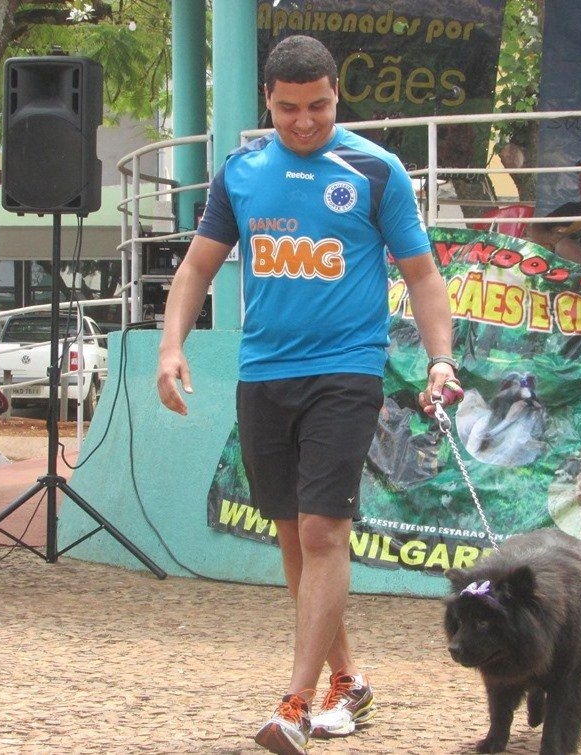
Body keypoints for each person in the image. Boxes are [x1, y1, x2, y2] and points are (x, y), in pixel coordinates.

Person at [155, 35, 456, 755]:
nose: (304, 121)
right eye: (289, 107)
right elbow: (196, 268)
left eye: (318, 105)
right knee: (293, 535)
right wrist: (171, 346)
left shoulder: (375, 170)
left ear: (336, 95)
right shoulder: (241, 173)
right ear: (268, 100)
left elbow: (422, 275)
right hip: (264, 374)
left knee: (323, 533)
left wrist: (440, 359)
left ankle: (294, 702)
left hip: (346, 372)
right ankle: (346, 678)